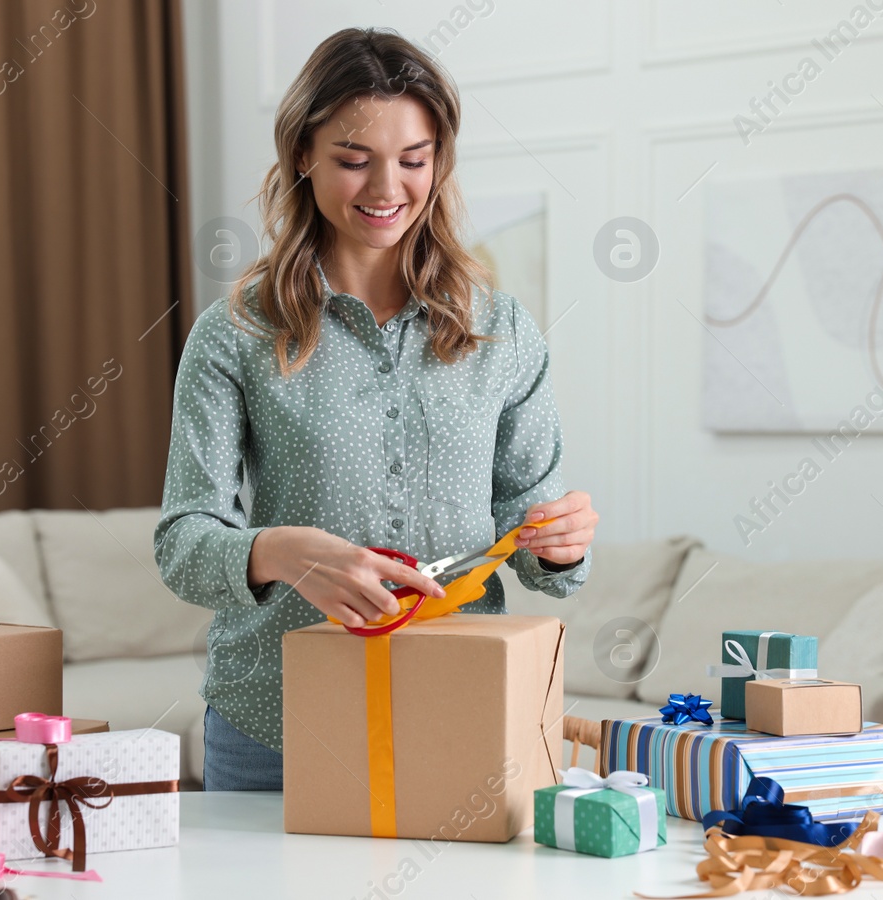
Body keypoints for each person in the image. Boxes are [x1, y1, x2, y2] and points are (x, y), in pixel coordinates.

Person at [154, 27, 597, 792]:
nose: (387, 188)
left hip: (463, 708)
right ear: (302, 153)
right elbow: (183, 543)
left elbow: (537, 551)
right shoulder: (235, 334)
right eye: (354, 159)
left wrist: (562, 542)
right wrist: (283, 553)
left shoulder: (503, 329)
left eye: (414, 160)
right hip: (276, 725)